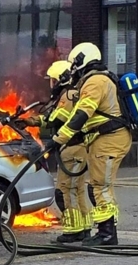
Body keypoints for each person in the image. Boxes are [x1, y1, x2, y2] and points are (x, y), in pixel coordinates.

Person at [49, 43, 133, 247]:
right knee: (97, 185)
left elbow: (82, 113)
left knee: (101, 187)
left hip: (108, 139)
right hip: (103, 139)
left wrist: (59, 138)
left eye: (74, 63)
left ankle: (107, 234)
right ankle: (104, 232)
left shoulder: (95, 81)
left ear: (81, 61)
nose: (73, 69)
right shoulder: (94, 80)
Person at [22, 60, 94, 244]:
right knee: (77, 190)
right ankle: (85, 228)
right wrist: (30, 121)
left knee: (64, 190)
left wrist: (33, 121)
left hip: (71, 148)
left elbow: (55, 118)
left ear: (61, 79)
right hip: (78, 148)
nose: (51, 84)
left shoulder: (68, 95)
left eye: (53, 80)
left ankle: (72, 230)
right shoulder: (72, 93)